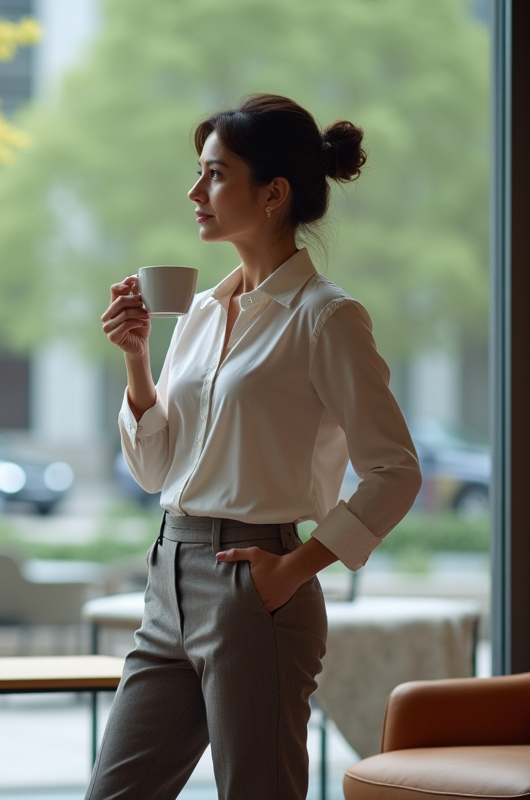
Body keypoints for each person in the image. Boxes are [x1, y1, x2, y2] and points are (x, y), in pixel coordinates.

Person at [90, 94, 422, 800]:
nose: (194, 192)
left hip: (254, 585)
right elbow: (155, 470)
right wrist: (138, 364)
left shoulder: (326, 318)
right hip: (169, 577)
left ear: (273, 194)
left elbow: (394, 472)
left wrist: (295, 568)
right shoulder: (204, 311)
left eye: (215, 174)